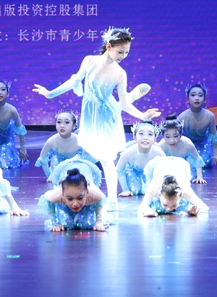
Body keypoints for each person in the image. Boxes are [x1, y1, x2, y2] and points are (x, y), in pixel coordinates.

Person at [34, 27, 160, 209]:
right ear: (109, 46)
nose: (123, 56)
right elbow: (74, 80)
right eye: (120, 51)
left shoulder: (120, 73)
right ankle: (84, 193)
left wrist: (142, 115)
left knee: (106, 159)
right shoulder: (90, 61)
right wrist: (50, 94)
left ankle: (113, 200)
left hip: (105, 116)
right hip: (90, 113)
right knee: (93, 153)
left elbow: (125, 105)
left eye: (126, 52)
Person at [37, 158, 108, 232]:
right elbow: (46, 199)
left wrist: (99, 222)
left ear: (87, 192)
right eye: (70, 199)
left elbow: (99, 203)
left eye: (80, 198)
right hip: (66, 170)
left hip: (85, 169)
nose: (75, 204)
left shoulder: (95, 195)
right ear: (63, 195)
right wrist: (55, 224)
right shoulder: (56, 195)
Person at [138, 156, 209, 217]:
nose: (169, 209)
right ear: (159, 194)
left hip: (178, 166)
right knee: (154, 205)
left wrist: (196, 210)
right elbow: (142, 206)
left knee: (183, 206)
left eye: (174, 205)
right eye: (165, 205)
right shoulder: (154, 189)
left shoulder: (185, 190)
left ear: (181, 195)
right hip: (160, 167)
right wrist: (148, 211)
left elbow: (204, 207)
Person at [35, 111, 95, 181]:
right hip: (60, 170)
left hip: (78, 169)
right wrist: (50, 175)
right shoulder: (51, 142)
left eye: (67, 122)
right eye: (59, 122)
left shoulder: (80, 141)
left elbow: (89, 158)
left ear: (74, 126)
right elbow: (43, 159)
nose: (62, 125)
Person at [0, 80, 29, 170]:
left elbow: (20, 129)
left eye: (3, 89)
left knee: (7, 164)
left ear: (8, 93)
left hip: (6, 142)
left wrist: (23, 149)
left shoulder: (12, 110)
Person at [177, 83, 217, 169]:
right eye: (193, 95)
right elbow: (176, 136)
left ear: (205, 99)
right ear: (187, 99)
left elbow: (214, 136)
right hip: (187, 146)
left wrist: (216, 155)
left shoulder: (210, 116)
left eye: (200, 95)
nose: (196, 98)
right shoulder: (182, 117)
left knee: (204, 161)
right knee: (186, 162)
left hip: (203, 145)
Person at [115, 121, 165, 196]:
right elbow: (119, 170)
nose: (145, 138)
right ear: (135, 137)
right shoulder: (128, 153)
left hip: (152, 182)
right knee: (135, 189)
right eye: (141, 134)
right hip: (134, 182)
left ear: (155, 138)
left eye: (150, 134)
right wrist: (125, 190)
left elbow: (166, 172)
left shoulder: (159, 154)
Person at [159, 115, 206, 184]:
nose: (172, 140)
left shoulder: (187, 143)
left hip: (184, 168)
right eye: (168, 137)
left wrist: (199, 177)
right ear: (163, 136)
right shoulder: (161, 145)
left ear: (180, 134)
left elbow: (197, 159)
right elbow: (156, 162)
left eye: (175, 136)